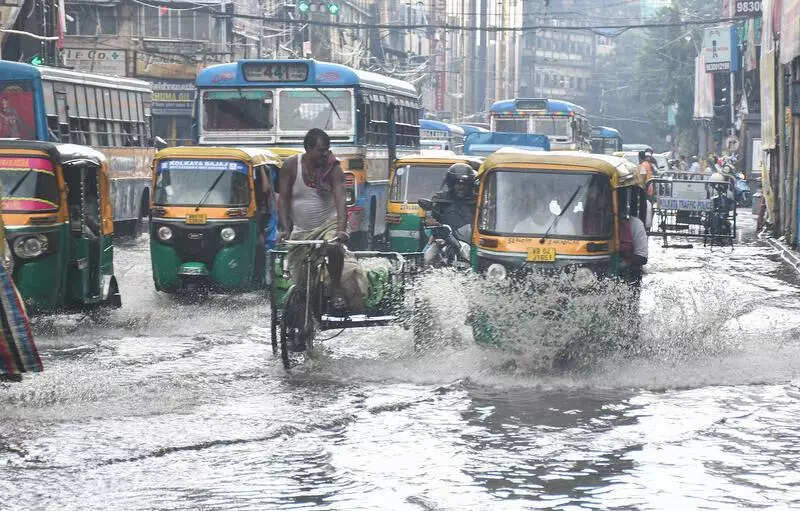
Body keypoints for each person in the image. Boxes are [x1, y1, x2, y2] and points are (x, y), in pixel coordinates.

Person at [278, 129, 350, 347]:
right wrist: (285, 228)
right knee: (299, 286)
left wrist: (340, 229)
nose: (324, 154)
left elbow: (340, 200)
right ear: (307, 149)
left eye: (327, 150)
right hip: (301, 229)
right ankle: (301, 320)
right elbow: (283, 200)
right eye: (320, 150)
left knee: (333, 248)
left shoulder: (333, 168)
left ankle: (336, 287)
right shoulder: (290, 166)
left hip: (328, 224)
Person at [428, 163, 477, 240]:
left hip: (472, 242)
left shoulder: (476, 201)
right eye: (458, 184)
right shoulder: (441, 200)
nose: (462, 187)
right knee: (429, 251)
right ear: (451, 184)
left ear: (470, 185)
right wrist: (431, 221)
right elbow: (431, 216)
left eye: (465, 184)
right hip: (444, 240)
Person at [618, 189, 648, 286]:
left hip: (627, 273)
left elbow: (642, 257)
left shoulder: (634, 224)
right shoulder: (584, 221)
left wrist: (624, 264)